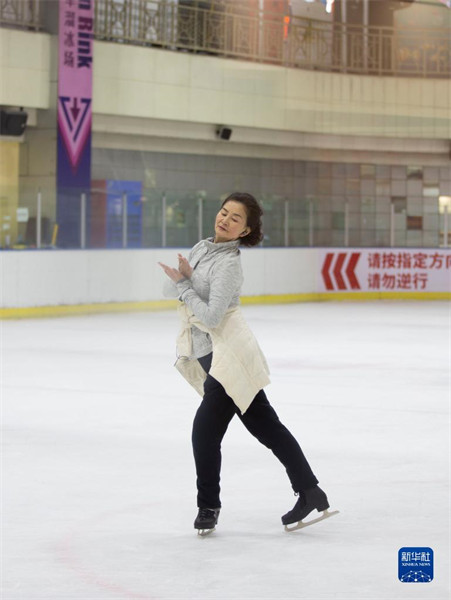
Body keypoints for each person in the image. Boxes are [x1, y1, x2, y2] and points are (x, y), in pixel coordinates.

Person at [158, 192, 336, 535]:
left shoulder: (228, 264)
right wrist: (181, 281)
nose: (225, 220)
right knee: (266, 426)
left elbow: (210, 315)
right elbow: (172, 291)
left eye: (235, 218)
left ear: (244, 231)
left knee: (204, 433)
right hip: (209, 354)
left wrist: (185, 286)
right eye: (224, 212)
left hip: (229, 354)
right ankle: (311, 491)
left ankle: (208, 506)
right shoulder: (200, 247)